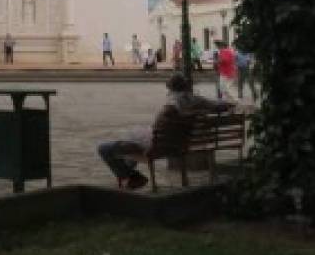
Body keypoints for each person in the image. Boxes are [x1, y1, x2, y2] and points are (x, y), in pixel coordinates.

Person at [97, 74, 234, 190]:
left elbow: (158, 128)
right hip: (179, 144)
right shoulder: (196, 100)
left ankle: (131, 176)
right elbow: (217, 105)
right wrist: (229, 104)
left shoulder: (170, 107)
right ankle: (130, 177)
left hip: (159, 147)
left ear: (171, 88)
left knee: (104, 148)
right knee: (132, 141)